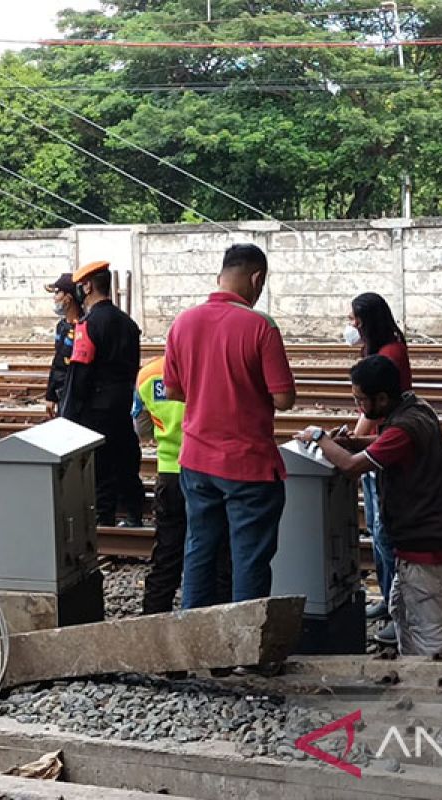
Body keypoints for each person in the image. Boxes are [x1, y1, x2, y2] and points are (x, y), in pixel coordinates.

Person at [298, 355, 442, 657]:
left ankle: (440, 680)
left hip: (423, 540)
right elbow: (380, 448)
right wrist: (347, 443)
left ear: (382, 398)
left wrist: (319, 437)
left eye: (360, 399)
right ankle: (416, 671)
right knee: (403, 607)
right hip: (429, 534)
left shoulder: (403, 429)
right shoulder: (415, 409)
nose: (358, 406)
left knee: (428, 623)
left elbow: (351, 467)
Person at [162, 243, 297, 608]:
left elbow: (172, 390)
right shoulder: (260, 326)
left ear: (221, 275)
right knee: (249, 558)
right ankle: (245, 653)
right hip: (248, 464)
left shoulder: (182, 323)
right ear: (257, 278)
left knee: (199, 552)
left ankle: (196, 643)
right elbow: (284, 398)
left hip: (194, 461)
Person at [133, 356, 232, 614]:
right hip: (208, 471)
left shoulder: (148, 374)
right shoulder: (209, 365)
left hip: (169, 472)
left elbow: (142, 429)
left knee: (166, 554)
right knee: (220, 553)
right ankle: (221, 618)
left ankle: (153, 621)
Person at [343, 292, 412, 646]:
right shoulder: (378, 349)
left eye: (355, 318)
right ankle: (388, 599)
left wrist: (351, 441)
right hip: (375, 444)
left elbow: (373, 409)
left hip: (381, 448)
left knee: (385, 533)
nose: (351, 325)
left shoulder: (390, 355)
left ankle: (399, 613)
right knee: (376, 529)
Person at [60, 260, 144, 528]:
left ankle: (103, 520)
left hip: (95, 409)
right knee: (127, 461)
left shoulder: (88, 324)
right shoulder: (128, 324)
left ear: (87, 286)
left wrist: (69, 412)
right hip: (122, 404)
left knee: (101, 468)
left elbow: (81, 372)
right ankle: (134, 515)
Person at [43, 273, 81, 418]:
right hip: (62, 394)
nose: (54, 297)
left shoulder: (84, 326)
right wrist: (51, 395)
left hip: (76, 396)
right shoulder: (62, 326)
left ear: (68, 298)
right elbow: (58, 362)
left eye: (57, 292)